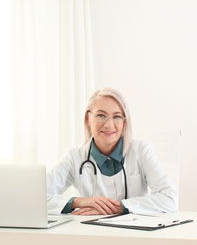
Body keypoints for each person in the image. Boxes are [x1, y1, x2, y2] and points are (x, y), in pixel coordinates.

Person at [46, 87, 178, 215]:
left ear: (124, 122)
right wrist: (80, 202)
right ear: (88, 119)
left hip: (136, 234)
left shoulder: (141, 152)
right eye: (101, 115)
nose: (109, 125)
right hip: (91, 233)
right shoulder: (74, 157)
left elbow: (170, 199)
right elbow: (35, 199)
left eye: (117, 117)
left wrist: (119, 207)